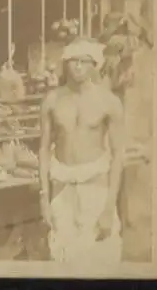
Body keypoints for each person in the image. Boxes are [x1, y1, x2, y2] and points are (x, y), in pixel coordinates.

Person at [38, 38, 125, 264]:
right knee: (61, 256)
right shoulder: (51, 100)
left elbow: (117, 156)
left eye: (84, 61)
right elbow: (44, 149)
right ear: (65, 63)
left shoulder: (109, 101)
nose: (78, 66)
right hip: (62, 188)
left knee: (100, 257)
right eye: (73, 61)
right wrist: (44, 198)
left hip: (96, 188)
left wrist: (109, 206)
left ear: (94, 64)